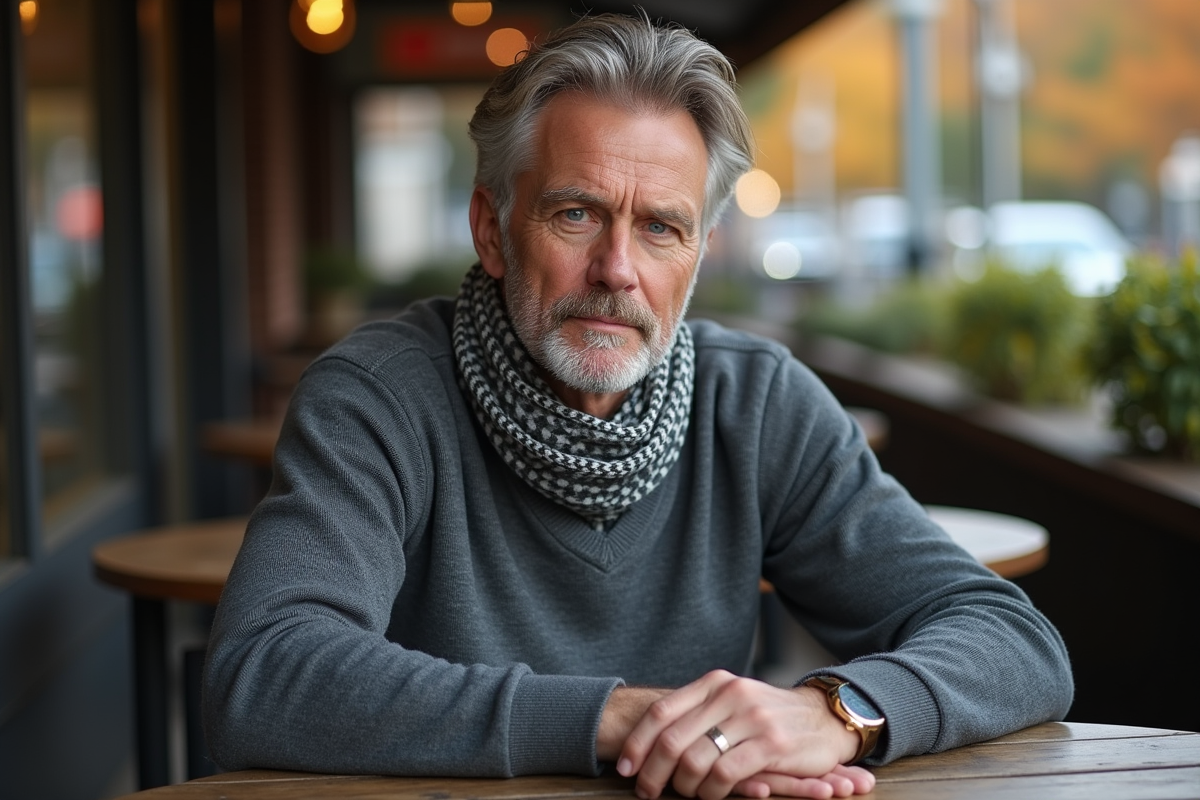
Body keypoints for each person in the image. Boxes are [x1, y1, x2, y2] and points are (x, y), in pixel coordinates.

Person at [203, 13, 1072, 800]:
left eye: (661, 226)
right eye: (576, 213)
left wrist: (838, 711)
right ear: (492, 229)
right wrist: (620, 720)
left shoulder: (757, 403)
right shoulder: (380, 396)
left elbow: (1013, 641)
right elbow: (264, 673)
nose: (617, 269)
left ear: (697, 253)